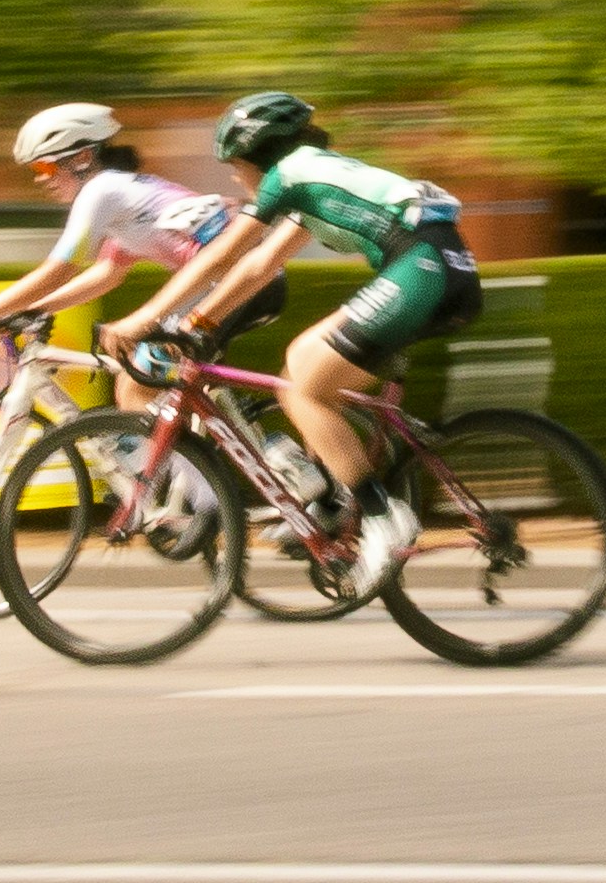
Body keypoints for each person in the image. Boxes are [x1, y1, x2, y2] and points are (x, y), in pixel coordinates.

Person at [127, 91, 480, 592]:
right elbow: (259, 266)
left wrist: (148, 318)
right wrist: (199, 322)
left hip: (422, 268)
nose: (234, 176)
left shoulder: (289, 174)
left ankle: (383, 517)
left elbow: (224, 255)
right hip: (440, 267)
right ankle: (338, 501)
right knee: (307, 381)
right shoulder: (312, 180)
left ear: (256, 153)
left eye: (234, 164)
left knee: (301, 383)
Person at [0, 102, 278, 379]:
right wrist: (30, 310)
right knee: (158, 387)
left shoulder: (101, 191)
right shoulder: (120, 193)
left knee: (138, 381)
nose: (40, 180)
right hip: (246, 283)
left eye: (45, 168)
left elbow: (59, 269)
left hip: (238, 283)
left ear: (82, 157)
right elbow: (106, 273)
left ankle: (176, 470)